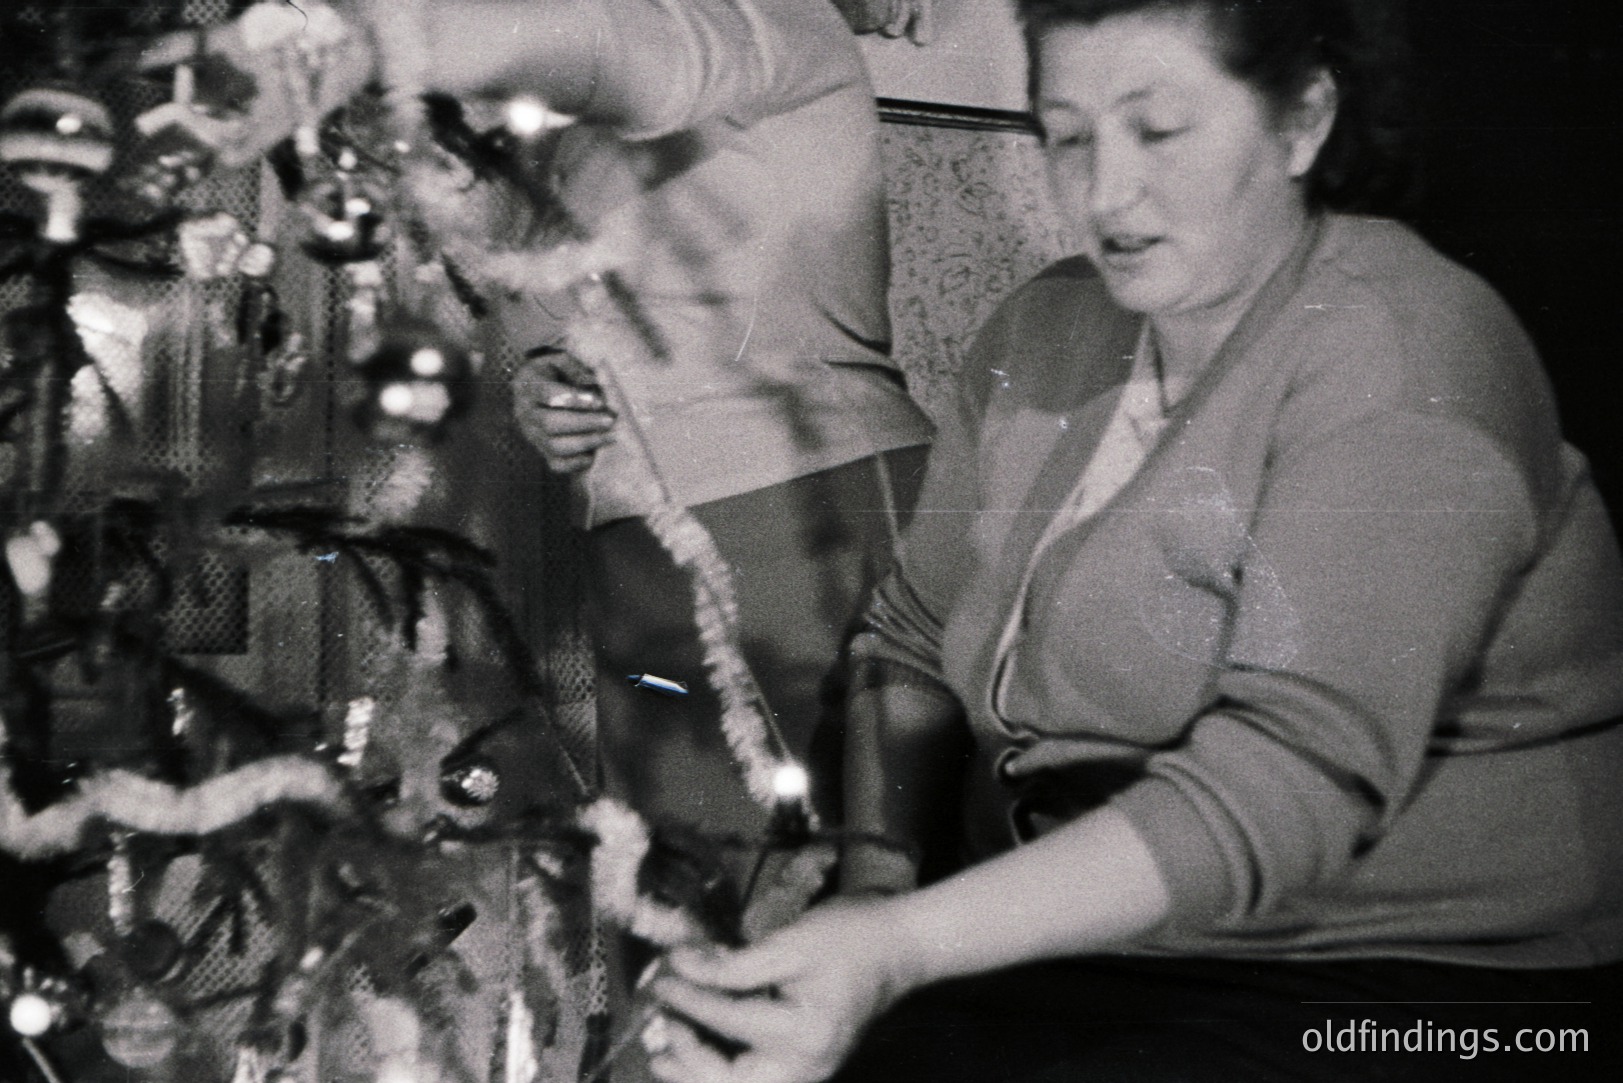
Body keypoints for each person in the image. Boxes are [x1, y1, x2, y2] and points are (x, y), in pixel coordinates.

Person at [642, 1, 1623, 1080]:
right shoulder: (1046, 330)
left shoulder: (1406, 355)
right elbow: (913, 637)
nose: (1106, 194)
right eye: (1069, 135)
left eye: (1159, 131)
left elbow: (1286, 788)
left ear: (1302, 123)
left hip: (1429, 990)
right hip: (1109, 953)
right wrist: (879, 872)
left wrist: (896, 950)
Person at [143, 0, 934, 844]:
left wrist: (372, 38)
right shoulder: (564, 145)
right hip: (637, 554)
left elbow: (614, 47)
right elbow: (553, 308)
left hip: (812, 511)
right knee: (704, 899)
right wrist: (548, 389)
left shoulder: (777, 24)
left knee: (853, 880)